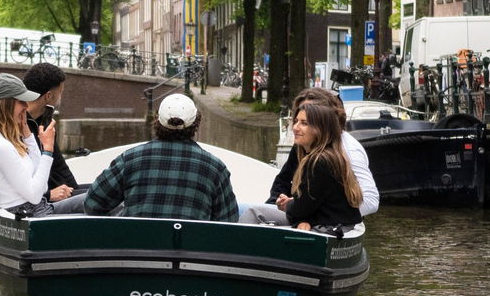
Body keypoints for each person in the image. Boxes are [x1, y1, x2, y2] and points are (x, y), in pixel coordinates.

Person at [84, 93, 239, 221]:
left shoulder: (130, 159)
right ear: (196, 123)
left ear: (157, 119)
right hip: (190, 248)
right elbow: (229, 221)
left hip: (136, 247)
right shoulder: (215, 168)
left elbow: (92, 203)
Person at [240, 102, 362, 231]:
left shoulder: (319, 162)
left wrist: (288, 205)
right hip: (334, 222)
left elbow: (301, 209)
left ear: (320, 129)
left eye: (304, 123)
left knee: (253, 213)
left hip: (329, 227)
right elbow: (313, 202)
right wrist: (293, 205)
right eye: (296, 121)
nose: (295, 127)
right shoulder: (332, 156)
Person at [0, 73, 85, 217]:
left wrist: (28, 137)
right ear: (7, 104)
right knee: (101, 200)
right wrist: (47, 150)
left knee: (103, 198)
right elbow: (35, 196)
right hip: (32, 215)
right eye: (21, 101)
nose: (26, 106)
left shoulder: (3, 140)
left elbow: (42, 187)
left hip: (38, 210)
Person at [266, 87, 379, 216]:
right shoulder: (302, 145)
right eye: (297, 118)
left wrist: (313, 217)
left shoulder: (348, 150)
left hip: (330, 221)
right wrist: (276, 203)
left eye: (306, 121)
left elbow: (371, 202)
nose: (296, 127)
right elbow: (283, 181)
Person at [23, 63, 78, 202]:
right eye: (61, 93)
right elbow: (20, 177)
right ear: (48, 96)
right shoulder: (17, 126)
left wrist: (76, 191)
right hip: (42, 200)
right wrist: (48, 195)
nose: (60, 98)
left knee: (100, 195)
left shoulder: (45, 121)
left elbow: (59, 165)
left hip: (58, 192)